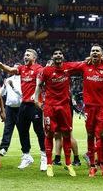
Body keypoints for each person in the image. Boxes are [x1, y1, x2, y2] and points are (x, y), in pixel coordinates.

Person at [0, 49, 47, 171]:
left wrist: (37, 94)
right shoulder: (22, 69)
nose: (25, 56)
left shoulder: (39, 68)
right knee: (22, 131)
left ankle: (44, 157)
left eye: (28, 55)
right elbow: (11, 70)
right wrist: (1, 66)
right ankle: (26, 156)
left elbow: (41, 82)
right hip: (24, 104)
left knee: (39, 131)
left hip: (35, 105)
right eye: (24, 55)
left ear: (34, 58)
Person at [34, 48, 80, 177]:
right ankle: (49, 164)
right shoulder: (46, 70)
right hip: (50, 107)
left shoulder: (68, 67)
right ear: (52, 57)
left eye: (60, 53)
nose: (58, 55)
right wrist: (36, 99)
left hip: (65, 107)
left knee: (66, 134)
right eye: (55, 54)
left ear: (63, 57)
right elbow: (39, 85)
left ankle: (69, 164)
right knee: (49, 134)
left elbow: (82, 64)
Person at [73, 44, 103, 177]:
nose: (94, 52)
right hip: (89, 107)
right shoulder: (84, 65)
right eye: (92, 51)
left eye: (97, 51)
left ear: (102, 54)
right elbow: (68, 67)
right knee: (90, 135)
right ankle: (92, 165)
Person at [0, 63, 22, 156]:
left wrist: (12, 87)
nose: (15, 69)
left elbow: (22, 94)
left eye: (17, 67)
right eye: (14, 67)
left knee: (22, 130)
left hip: (21, 108)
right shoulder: (8, 79)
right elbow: (1, 93)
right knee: (7, 129)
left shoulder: (23, 80)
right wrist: (4, 86)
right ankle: (3, 148)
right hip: (9, 108)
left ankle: (25, 150)